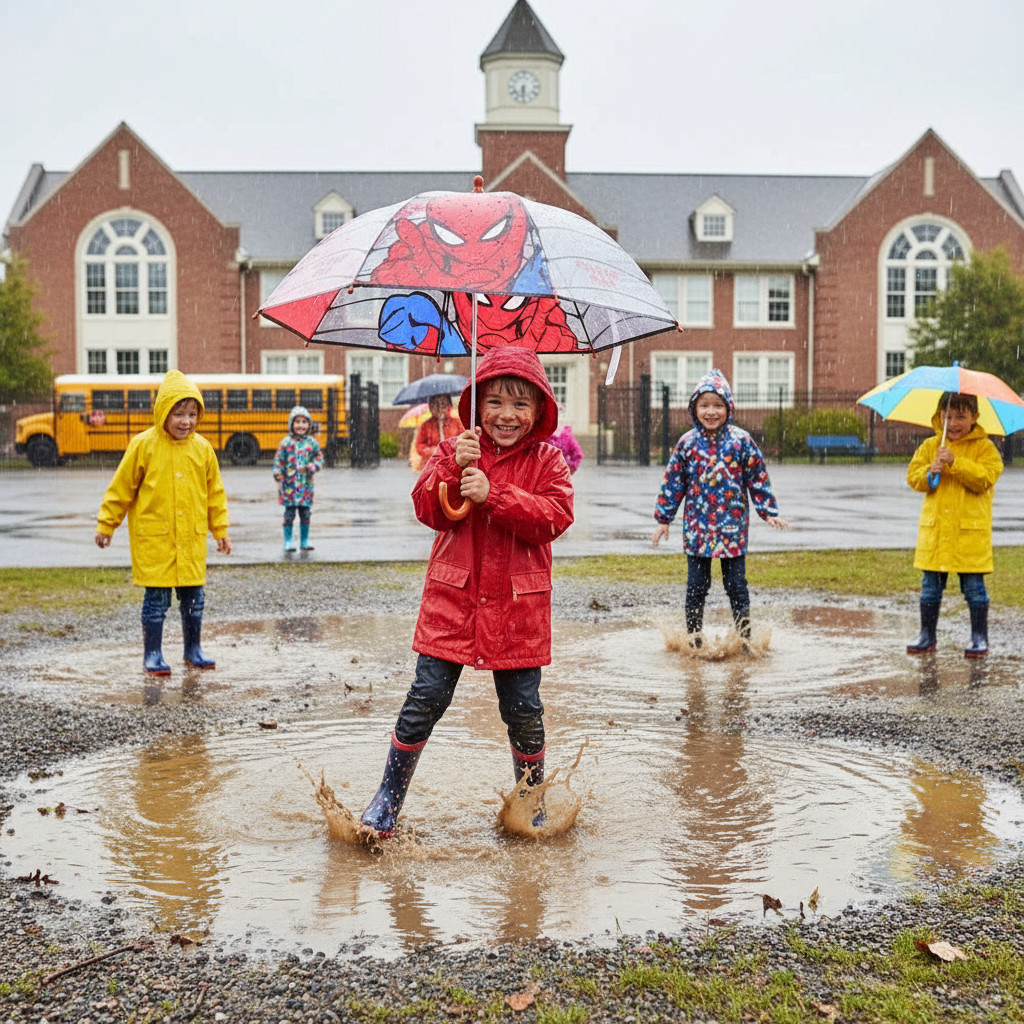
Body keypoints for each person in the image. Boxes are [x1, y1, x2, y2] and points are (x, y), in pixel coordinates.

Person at [359, 346, 575, 840]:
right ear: (476, 404)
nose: (506, 414)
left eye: (521, 404)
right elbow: (426, 510)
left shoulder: (548, 460)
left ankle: (530, 799)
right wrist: (453, 470)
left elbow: (554, 518)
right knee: (425, 698)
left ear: (540, 410)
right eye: (495, 401)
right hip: (452, 603)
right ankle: (387, 798)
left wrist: (494, 495)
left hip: (518, 609)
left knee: (523, 711)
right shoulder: (453, 449)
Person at [94, 369, 232, 674]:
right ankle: (152, 654)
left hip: (191, 540)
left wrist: (220, 530)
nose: (186, 421)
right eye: (179, 414)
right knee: (156, 600)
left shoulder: (203, 449)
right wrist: (107, 524)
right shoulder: (144, 445)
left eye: (192, 414)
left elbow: (214, 494)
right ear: (163, 413)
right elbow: (121, 488)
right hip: (155, 540)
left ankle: (192, 649)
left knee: (194, 599)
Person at [651, 368, 788, 647]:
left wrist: (768, 511)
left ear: (728, 408)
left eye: (717, 405)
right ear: (694, 408)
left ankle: (745, 639)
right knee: (696, 588)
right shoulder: (687, 444)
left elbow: (757, 477)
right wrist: (664, 518)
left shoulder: (741, 441)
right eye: (704, 405)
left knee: (737, 586)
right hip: (698, 529)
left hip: (732, 528)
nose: (711, 412)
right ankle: (693, 639)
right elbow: (673, 482)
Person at [905, 392, 1003, 657]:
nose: (954, 422)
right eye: (948, 416)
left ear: (974, 418)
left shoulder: (985, 449)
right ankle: (927, 635)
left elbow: (984, 478)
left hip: (968, 535)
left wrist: (955, 463)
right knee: (930, 588)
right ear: (940, 417)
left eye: (961, 416)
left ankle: (979, 636)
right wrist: (930, 471)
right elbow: (914, 479)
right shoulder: (930, 447)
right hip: (936, 533)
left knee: (974, 588)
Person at [273, 405, 324, 551]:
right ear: (292, 424)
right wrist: (277, 472)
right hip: (289, 487)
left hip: (306, 487)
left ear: (309, 425)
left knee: (305, 513)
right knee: (289, 514)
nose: (300, 425)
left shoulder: (312, 443)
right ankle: (288, 541)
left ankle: (304, 540)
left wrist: (313, 466)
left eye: (304, 422)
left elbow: (319, 458)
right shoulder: (286, 443)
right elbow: (279, 460)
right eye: (297, 422)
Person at [409, 393, 462, 473]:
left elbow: (462, 440)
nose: (440, 408)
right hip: (431, 466)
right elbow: (419, 446)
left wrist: (451, 450)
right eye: (436, 404)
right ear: (431, 406)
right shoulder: (426, 425)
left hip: (452, 464)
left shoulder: (456, 423)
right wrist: (433, 451)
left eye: (443, 404)